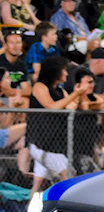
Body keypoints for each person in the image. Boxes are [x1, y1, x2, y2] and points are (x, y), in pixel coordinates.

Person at [28, 55, 89, 191]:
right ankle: (65, 201)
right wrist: (75, 94)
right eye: (64, 70)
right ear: (55, 71)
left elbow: (71, 107)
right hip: (41, 142)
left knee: (38, 184)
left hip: (55, 143)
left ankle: (29, 209)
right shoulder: (40, 87)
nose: (66, 73)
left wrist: (80, 94)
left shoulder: (61, 91)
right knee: (67, 172)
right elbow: (51, 106)